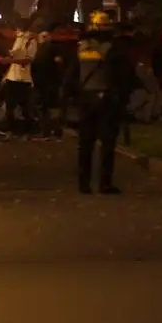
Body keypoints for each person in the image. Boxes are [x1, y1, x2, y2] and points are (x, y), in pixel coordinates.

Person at [63, 11, 136, 194]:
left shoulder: (81, 48)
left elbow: (71, 76)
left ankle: (84, 183)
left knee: (85, 142)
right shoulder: (115, 48)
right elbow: (125, 75)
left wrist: (70, 98)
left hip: (86, 99)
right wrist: (123, 97)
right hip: (108, 100)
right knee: (107, 143)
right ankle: (105, 183)